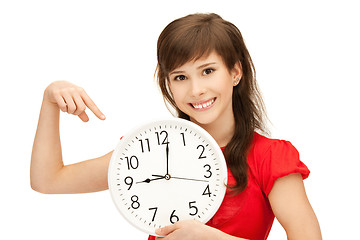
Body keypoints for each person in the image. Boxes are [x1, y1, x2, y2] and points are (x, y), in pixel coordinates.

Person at [31, 13, 322, 240]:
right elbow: (48, 180)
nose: (196, 90)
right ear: (168, 84)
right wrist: (49, 100)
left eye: (208, 71)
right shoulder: (149, 148)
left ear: (235, 72)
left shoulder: (270, 157)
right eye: (180, 77)